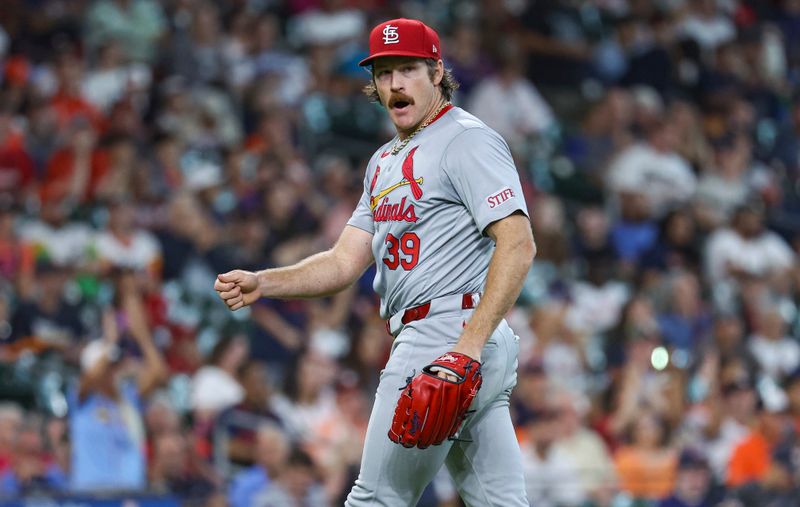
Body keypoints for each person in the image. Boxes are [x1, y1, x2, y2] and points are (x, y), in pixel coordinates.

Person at [215, 17, 535, 507]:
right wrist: (265, 282)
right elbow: (344, 262)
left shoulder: (466, 138)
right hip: (464, 340)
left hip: (447, 334)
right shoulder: (384, 161)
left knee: (376, 499)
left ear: (436, 73)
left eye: (408, 69)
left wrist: (464, 348)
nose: (395, 84)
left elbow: (518, 243)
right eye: (384, 73)